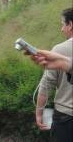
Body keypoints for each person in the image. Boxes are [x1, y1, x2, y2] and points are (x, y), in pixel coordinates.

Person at [35, 8, 73, 142]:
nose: (62, 29)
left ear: (70, 25)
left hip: (65, 118)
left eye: (63, 24)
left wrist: (39, 113)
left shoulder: (59, 49)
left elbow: (46, 85)